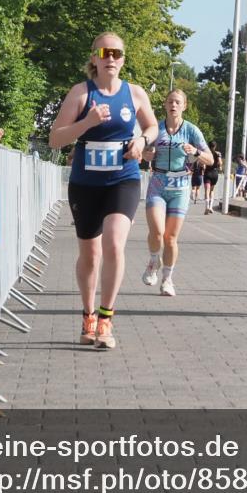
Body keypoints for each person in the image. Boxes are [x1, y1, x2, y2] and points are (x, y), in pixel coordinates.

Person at [48, 31, 158, 349]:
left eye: (117, 53)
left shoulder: (135, 94)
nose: (111, 58)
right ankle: (88, 315)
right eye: (105, 53)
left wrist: (141, 140)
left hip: (123, 179)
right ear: (94, 58)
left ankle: (106, 319)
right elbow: (55, 139)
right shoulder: (81, 94)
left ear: (123, 60)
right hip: (85, 184)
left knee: (113, 243)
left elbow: (152, 126)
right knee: (91, 255)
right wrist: (87, 123)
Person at [140, 89, 213, 296]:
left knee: (170, 238)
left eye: (178, 102)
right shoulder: (157, 129)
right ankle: (154, 261)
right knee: (156, 232)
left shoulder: (191, 130)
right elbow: (144, 155)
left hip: (180, 186)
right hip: (158, 183)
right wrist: (148, 153)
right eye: (170, 101)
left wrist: (196, 152)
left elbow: (211, 159)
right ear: (165, 105)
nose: (173, 105)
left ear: (184, 106)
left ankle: (167, 280)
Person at [203, 140, 223, 214]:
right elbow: (220, 163)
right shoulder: (218, 153)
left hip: (207, 172)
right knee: (212, 190)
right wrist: (219, 165)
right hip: (214, 173)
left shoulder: (206, 153)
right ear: (215, 146)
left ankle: (206, 207)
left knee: (207, 190)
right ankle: (211, 207)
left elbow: (203, 163)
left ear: (208, 146)